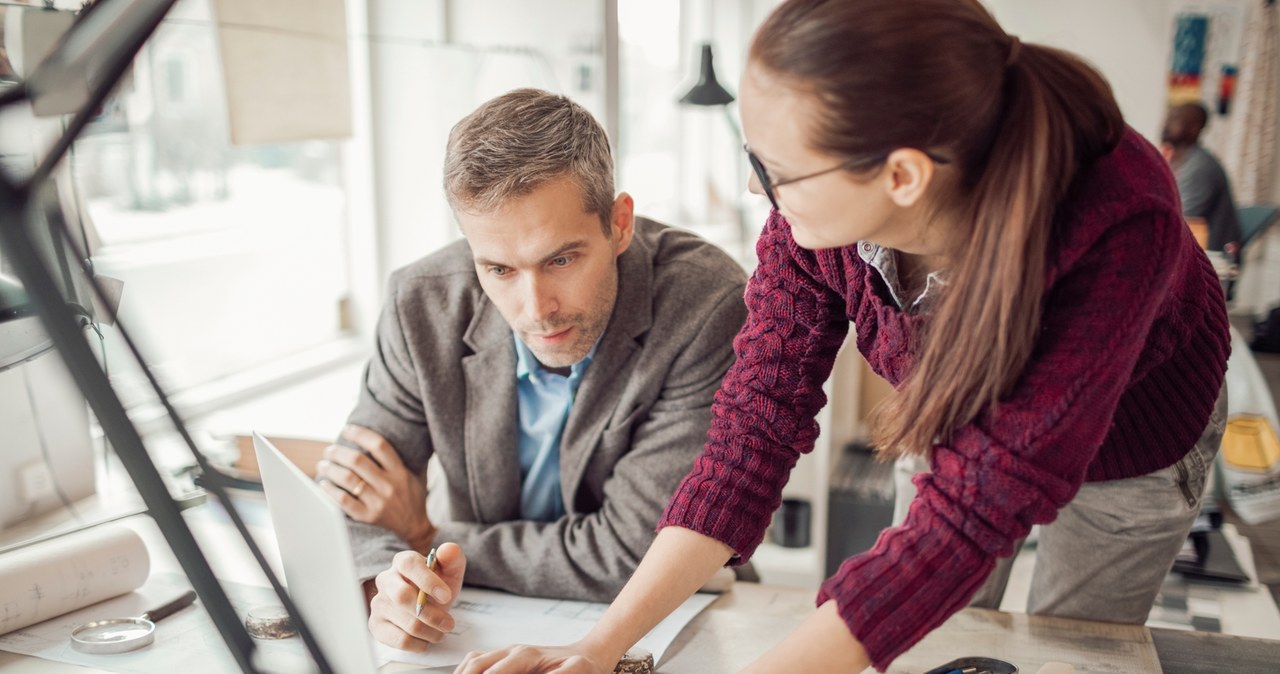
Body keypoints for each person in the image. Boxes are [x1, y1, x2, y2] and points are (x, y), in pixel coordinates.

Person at [455, 1, 1231, 672]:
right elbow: (751, 436)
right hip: (949, 402)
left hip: (1128, 447)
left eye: (779, 170)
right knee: (921, 642)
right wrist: (598, 649)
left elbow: (972, 519)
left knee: (1070, 647)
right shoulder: (812, 223)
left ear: (901, 177)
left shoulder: (1117, 219)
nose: (761, 187)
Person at [314, 88, 748, 653]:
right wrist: (387, 584)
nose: (536, 308)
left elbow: (631, 552)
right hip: (480, 621)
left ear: (619, 224)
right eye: (498, 268)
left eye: (561, 260)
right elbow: (348, 494)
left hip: (668, 626)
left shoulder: (707, 305)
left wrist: (428, 535)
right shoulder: (419, 303)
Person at [1162, 101, 1242, 256]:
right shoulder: (1180, 160)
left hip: (1212, 261)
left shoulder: (1200, 168)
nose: (1167, 123)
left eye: (1175, 119)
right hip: (1192, 252)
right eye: (1168, 117)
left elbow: (1177, 223)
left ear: (1195, 128)